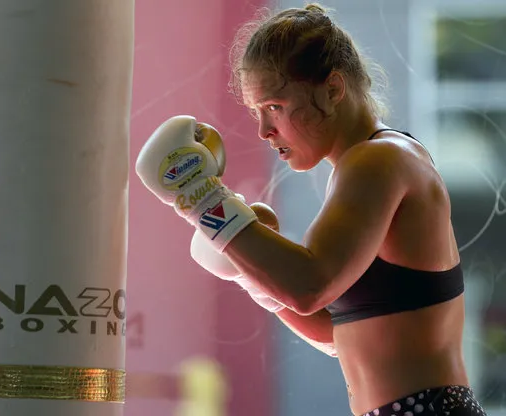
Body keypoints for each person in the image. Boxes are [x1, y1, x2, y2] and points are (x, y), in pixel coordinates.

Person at [135, 3, 488, 416]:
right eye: (256, 112)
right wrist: (253, 274)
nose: (265, 131)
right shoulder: (368, 165)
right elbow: (334, 333)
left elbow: (309, 286)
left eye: (274, 106)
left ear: (333, 89)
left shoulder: (378, 161)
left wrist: (202, 199)